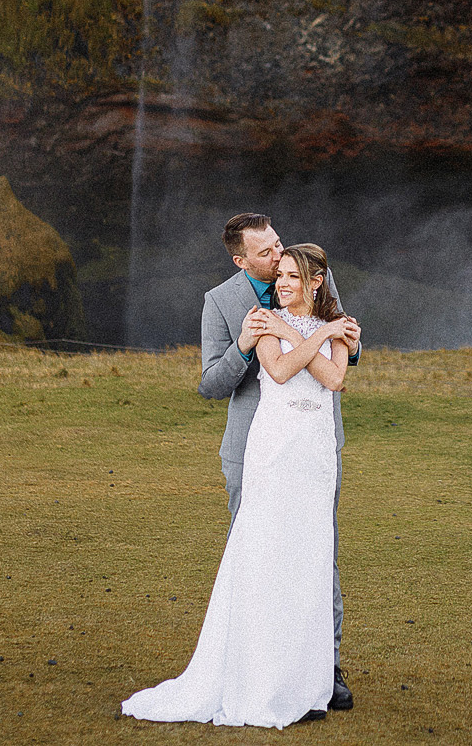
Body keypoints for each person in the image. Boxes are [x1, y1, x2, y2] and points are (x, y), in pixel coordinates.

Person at [122, 243, 356, 726]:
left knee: (309, 562)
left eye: (292, 276)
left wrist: (320, 332)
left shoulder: (333, 322)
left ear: (315, 282)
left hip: (314, 457)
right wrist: (306, 332)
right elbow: (279, 368)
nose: (282, 283)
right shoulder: (265, 320)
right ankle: (260, 680)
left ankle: (308, 685)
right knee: (266, 555)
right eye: (279, 275)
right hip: (273, 455)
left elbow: (334, 379)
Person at [195, 214, 361, 708]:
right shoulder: (221, 302)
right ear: (240, 259)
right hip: (254, 449)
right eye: (266, 254)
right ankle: (253, 666)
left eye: (279, 246)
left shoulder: (313, 273)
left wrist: (347, 338)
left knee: (317, 554)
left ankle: (324, 668)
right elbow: (209, 384)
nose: (277, 258)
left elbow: (345, 352)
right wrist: (244, 346)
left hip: (314, 442)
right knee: (259, 557)